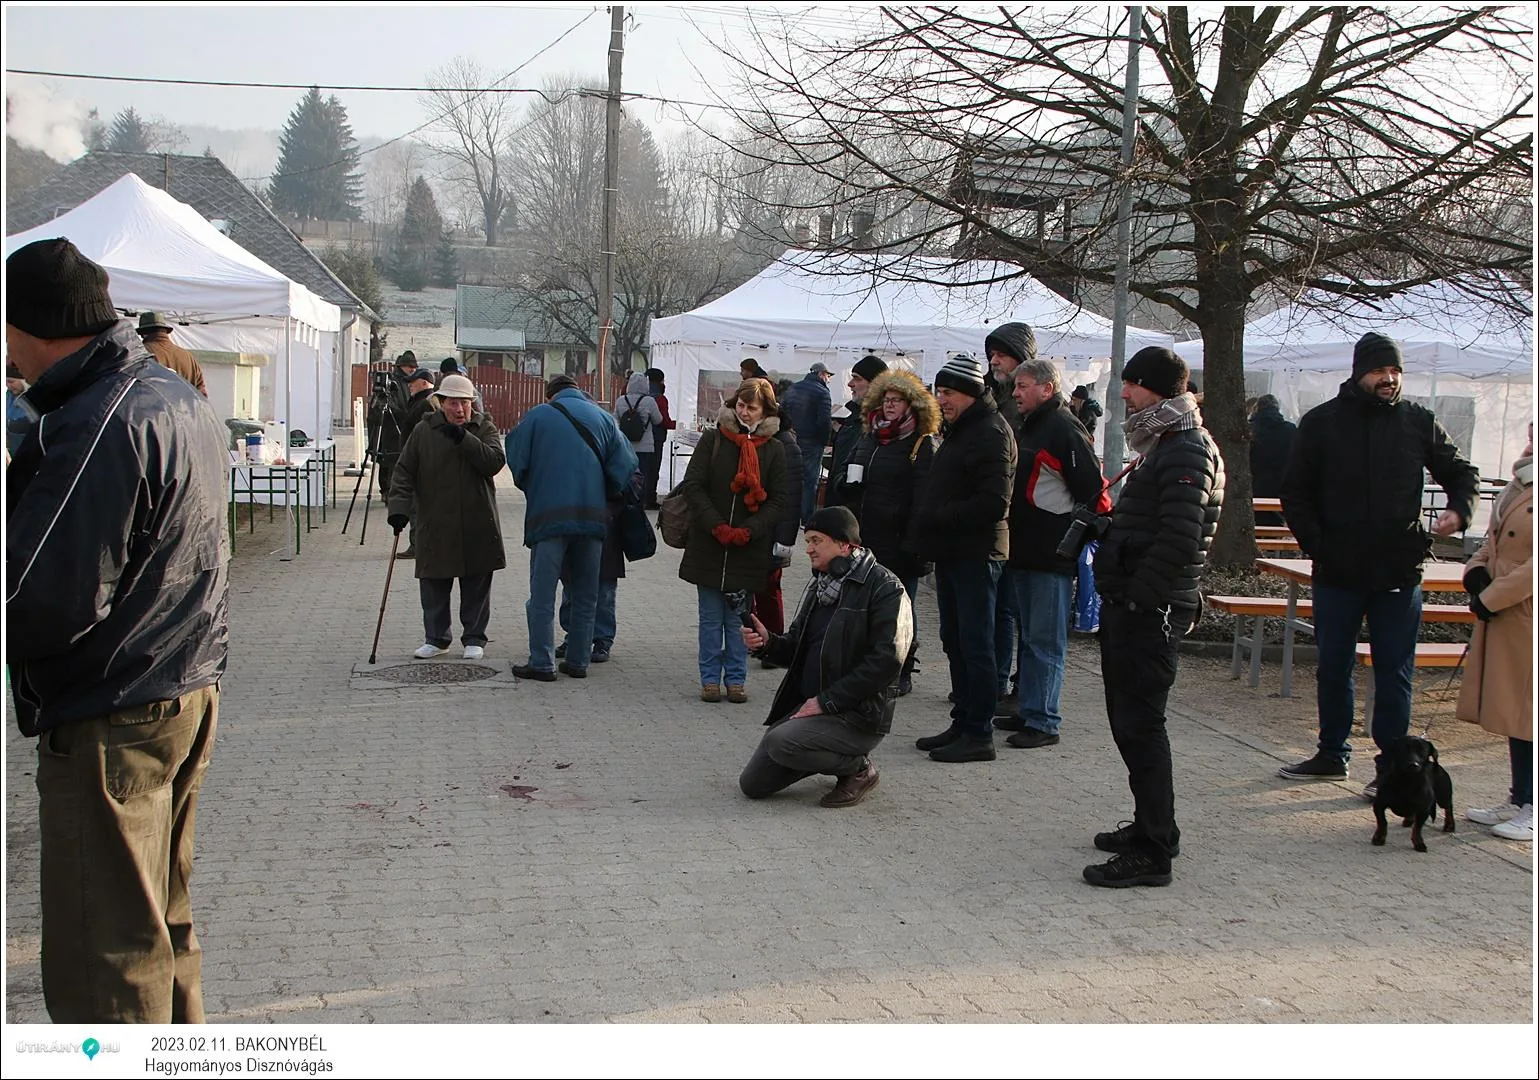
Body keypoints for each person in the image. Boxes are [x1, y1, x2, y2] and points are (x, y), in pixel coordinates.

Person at [6, 238, 230, 1022]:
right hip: (178, 685)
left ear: (32, 328)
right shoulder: (171, 396)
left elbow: (43, 595)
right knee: (159, 930)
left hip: (117, 708)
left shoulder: (100, 419)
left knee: (110, 955)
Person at [1277, 333, 1479, 794]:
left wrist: (1460, 510)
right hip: (1338, 572)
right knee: (1333, 666)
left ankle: (1391, 767)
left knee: (1394, 672)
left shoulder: (1417, 421)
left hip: (1398, 572)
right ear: (1358, 373)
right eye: (1379, 371)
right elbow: (1296, 493)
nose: (1389, 379)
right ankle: (1332, 754)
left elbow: (1461, 471)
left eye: (1396, 372)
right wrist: (1320, 546)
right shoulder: (1322, 423)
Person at [1086, 346, 1224, 888]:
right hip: (1137, 607)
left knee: (1141, 726)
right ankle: (1153, 825)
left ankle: (1154, 849)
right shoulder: (1167, 442)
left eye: (1133, 384)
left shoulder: (1187, 448)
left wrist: (1140, 596)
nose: (1123, 394)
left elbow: (1180, 539)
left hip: (1150, 613)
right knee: (1130, 723)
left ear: (1161, 390)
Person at [738, 506, 913, 808]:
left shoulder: (886, 588)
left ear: (846, 544)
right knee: (753, 784)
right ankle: (819, 751)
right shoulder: (822, 584)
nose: (808, 549)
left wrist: (826, 701)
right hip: (815, 708)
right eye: (808, 541)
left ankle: (858, 769)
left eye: (817, 541)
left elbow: (886, 662)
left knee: (782, 742)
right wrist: (767, 643)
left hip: (857, 716)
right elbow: (796, 645)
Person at [997, 359, 1109, 750]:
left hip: (1049, 554)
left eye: (1022, 386)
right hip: (1026, 549)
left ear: (1046, 388)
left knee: (1044, 640)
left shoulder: (1063, 427)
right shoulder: (1035, 425)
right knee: (1029, 638)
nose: (1015, 393)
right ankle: (1030, 709)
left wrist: (1072, 540)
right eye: (1015, 386)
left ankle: (1044, 719)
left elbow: (1094, 494)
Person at [911, 354, 1017, 763]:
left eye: (949, 392)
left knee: (976, 644)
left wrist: (939, 516)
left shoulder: (991, 432)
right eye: (939, 392)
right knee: (955, 639)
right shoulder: (963, 430)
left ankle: (978, 732)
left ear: (971, 393)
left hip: (978, 554)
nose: (942, 399)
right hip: (954, 552)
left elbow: (994, 502)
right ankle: (962, 721)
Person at [505, 374, 638, 680]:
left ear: (550, 396)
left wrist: (533, 486)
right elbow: (626, 465)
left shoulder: (538, 416)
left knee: (542, 595)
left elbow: (516, 459)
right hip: (593, 519)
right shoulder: (603, 418)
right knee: (586, 594)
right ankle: (578, 661)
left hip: (548, 519)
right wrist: (601, 490)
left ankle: (542, 662)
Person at [678, 378, 790, 704]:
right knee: (710, 618)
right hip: (709, 543)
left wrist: (750, 530)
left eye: (751, 407)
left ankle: (737, 679)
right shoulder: (713, 439)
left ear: (765, 411)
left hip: (748, 547)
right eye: (740, 405)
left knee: (740, 618)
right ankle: (710, 679)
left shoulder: (774, 448)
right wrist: (716, 525)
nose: (744, 412)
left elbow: (778, 500)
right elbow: (694, 485)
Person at [388, 374, 507, 662]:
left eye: (465, 404)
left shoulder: (483, 428)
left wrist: (464, 438)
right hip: (435, 520)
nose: (460, 410)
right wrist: (399, 509)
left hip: (476, 521)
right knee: (433, 583)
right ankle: (436, 638)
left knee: (476, 582)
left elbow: (493, 463)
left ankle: (475, 638)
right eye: (453, 403)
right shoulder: (423, 431)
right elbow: (404, 471)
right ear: (440, 403)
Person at [835, 368, 939, 695]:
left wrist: (914, 546)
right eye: (886, 399)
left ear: (913, 406)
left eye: (897, 400)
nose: (890, 406)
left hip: (898, 542)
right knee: (865, 606)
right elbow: (842, 476)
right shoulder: (870, 437)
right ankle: (868, 667)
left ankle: (903, 667)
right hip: (865, 539)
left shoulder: (920, 444)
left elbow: (924, 501)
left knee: (900, 609)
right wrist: (846, 483)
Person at [1458, 424, 1533, 843]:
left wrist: (1496, 595)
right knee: (1516, 715)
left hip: (1522, 612)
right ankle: (1521, 795)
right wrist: (1476, 572)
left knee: (1528, 712)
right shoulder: (1521, 480)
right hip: (1508, 614)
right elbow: (1493, 541)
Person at [984, 323, 1036, 706]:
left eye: (1001, 353)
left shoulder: (1027, 408)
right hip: (999, 518)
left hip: (1022, 519)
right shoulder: (990, 394)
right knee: (1000, 607)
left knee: (1014, 611)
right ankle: (998, 680)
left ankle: (1011, 683)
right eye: (992, 352)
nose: (994, 359)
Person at [557, 469, 644, 665]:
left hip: (605, 525)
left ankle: (601, 640)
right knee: (571, 587)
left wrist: (612, 496)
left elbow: (634, 476)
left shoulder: (612, 439)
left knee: (604, 589)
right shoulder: (566, 442)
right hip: (571, 519)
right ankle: (573, 636)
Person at [752, 411, 804, 649]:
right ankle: (754, 638)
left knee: (769, 589)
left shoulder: (785, 445)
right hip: (753, 528)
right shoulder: (754, 439)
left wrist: (785, 541)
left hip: (774, 531)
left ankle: (773, 640)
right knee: (750, 587)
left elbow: (792, 500)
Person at [826, 354, 887, 506]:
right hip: (839, 504)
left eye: (857, 378)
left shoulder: (882, 424)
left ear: (875, 385)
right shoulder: (854, 418)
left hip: (856, 509)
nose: (850, 384)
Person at [778, 362, 833, 524]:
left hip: (791, 439)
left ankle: (788, 514)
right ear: (822, 374)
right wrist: (824, 442)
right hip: (812, 442)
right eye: (828, 376)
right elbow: (824, 421)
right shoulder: (823, 393)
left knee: (790, 477)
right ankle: (806, 518)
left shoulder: (793, 388)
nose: (828, 379)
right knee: (810, 481)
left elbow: (782, 412)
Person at [392, 367, 438, 558]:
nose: (410, 385)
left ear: (425, 383)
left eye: (414, 381)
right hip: (417, 460)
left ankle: (417, 544)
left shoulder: (426, 404)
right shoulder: (419, 402)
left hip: (419, 463)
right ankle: (417, 543)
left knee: (415, 506)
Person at [366, 350, 419, 502]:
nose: (412, 369)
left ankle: (392, 490)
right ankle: (386, 491)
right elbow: (389, 405)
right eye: (410, 366)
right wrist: (404, 415)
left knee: (395, 459)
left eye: (414, 367)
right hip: (389, 426)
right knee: (387, 459)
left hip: (401, 425)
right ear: (402, 366)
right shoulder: (394, 381)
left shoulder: (409, 381)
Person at [614, 371, 664, 501]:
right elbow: (658, 420)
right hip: (645, 446)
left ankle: (627, 500)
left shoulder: (620, 400)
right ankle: (640, 503)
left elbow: (615, 420)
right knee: (643, 476)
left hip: (625, 445)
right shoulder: (649, 401)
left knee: (626, 474)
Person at [1248, 393, 1296, 525]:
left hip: (1254, 485)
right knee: (1276, 523)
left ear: (1257, 408)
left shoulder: (1250, 429)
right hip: (1280, 486)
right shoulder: (1290, 429)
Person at [136, 311, 208, 396]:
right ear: (165, 331)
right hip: (186, 408)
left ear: (143, 333)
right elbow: (202, 395)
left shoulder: (140, 354)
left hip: (154, 409)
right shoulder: (188, 356)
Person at [642, 367, 677, 508]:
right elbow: (663, 421)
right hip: (655, 438)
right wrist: (678, 424)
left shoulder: (633, 396)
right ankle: (650, 498)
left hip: (636, 439)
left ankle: (639, 497)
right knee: (653, 469)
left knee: (640, 469)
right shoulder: (660, 399)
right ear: (660, 381)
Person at [6, 362, 29, 456]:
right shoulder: (8, 396)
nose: (8, 385)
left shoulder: (35, 398)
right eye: (6, 382)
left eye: (11, 382)